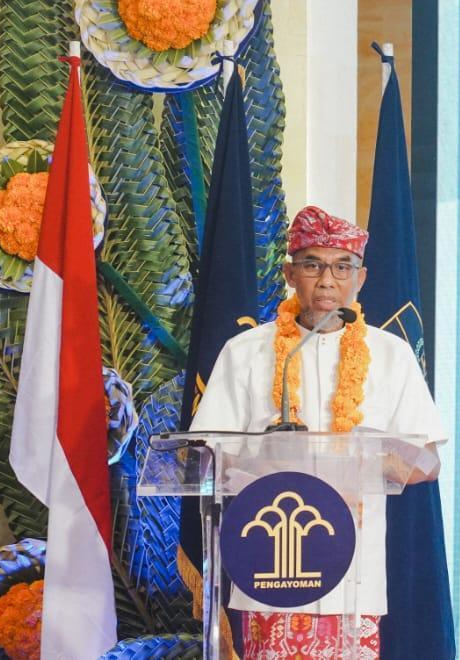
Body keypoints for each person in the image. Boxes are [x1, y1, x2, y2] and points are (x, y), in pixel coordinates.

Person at [191, 206, 445, 660]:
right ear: (290, 274)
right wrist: (270, 460)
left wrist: (371, 461)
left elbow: (428, 461)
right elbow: (204, 455)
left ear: (360, 279)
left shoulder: (393, 355)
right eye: (313, 265)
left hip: (355, 575)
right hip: (269, 567)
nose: (328, 280)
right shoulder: (245, 351)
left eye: (342, 267)